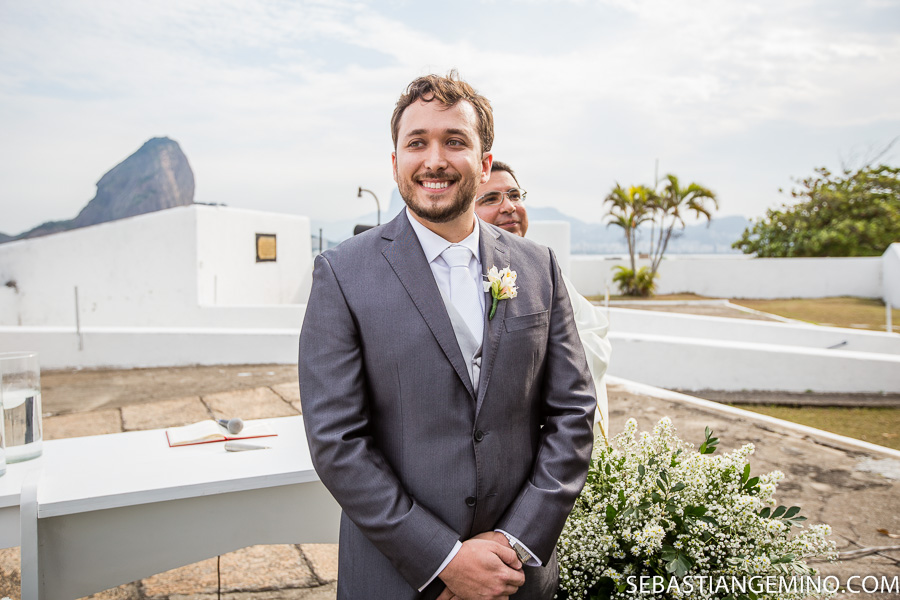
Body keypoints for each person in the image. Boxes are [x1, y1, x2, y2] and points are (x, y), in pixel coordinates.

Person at [298, 72, 596, 600]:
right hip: (396, 578)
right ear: (395, 164)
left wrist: (512, 545)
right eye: (417, 142)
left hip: (518, 576)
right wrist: (445, 560)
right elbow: (337, 441)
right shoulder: (342, 274)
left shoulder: (537, 267)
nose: (434, 159)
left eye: (454, 141)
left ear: (483, 164)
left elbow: (573, 415)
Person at [474, 162, 613, 442]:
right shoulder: (460, 275)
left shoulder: (543, 270)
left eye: (514, 195)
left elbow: (592, 330)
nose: (509, 206)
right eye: (491, 198)